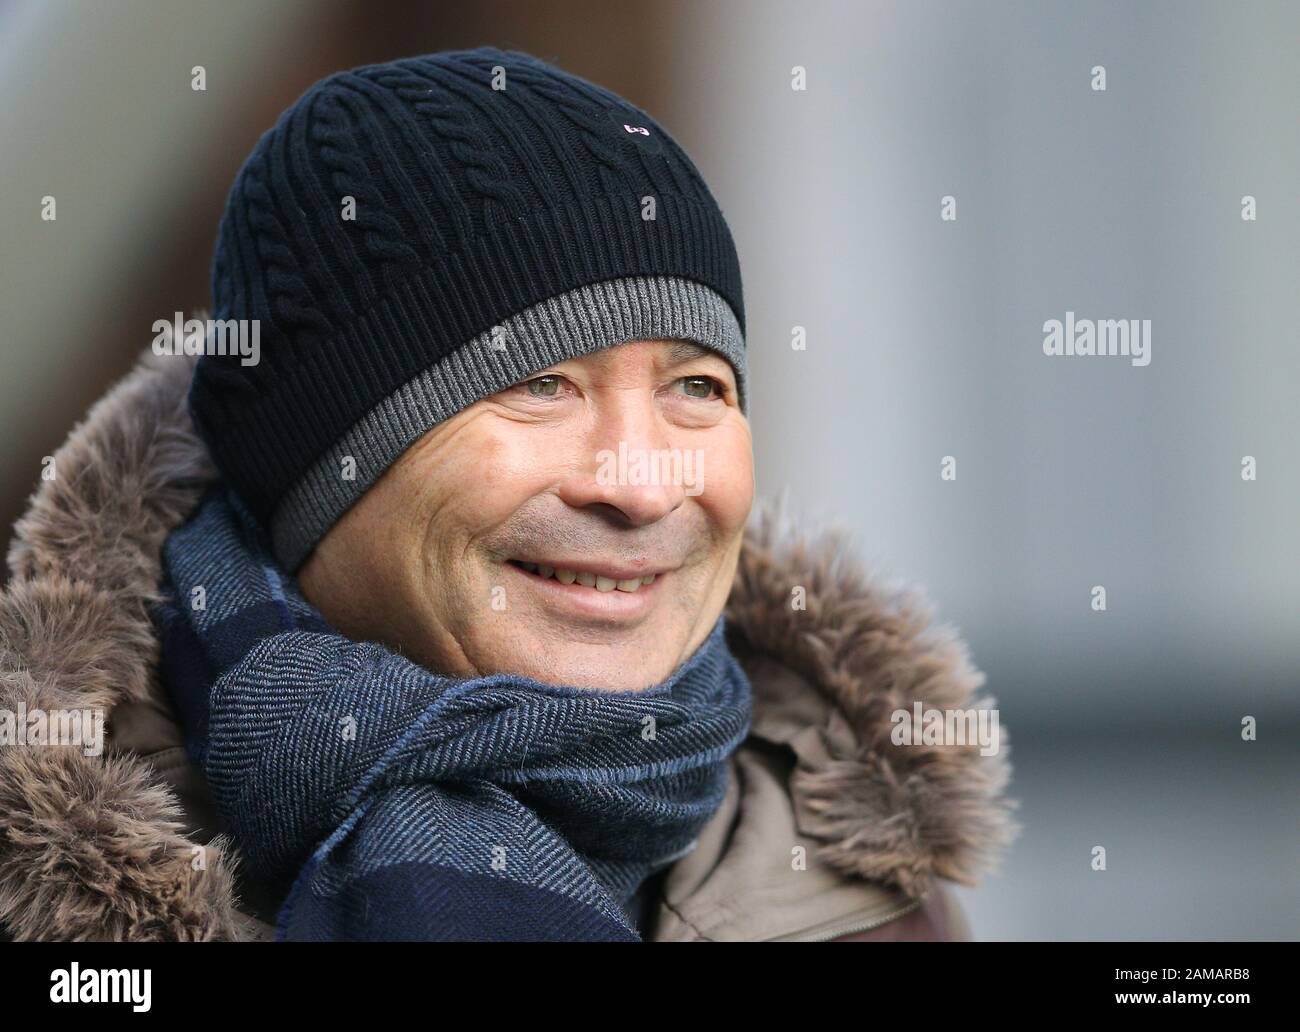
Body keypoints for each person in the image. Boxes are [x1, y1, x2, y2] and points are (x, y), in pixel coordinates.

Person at [0, 47, 1016, 941]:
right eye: (539, 384)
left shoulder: (857, 892)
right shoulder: (40, 891)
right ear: (315, 463)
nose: (640, 481)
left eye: (695, 387)